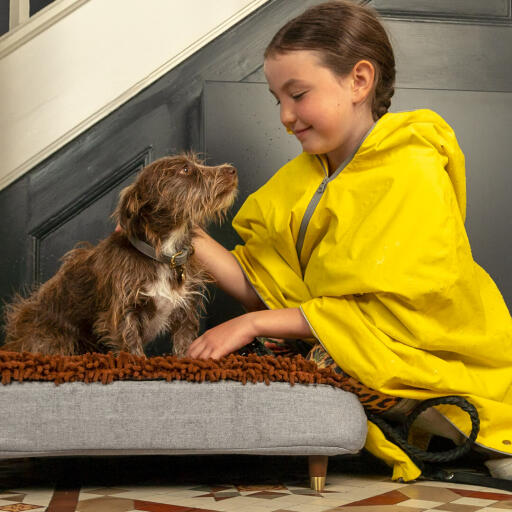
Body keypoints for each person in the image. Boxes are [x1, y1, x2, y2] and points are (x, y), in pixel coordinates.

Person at [185, 1, 512, 482]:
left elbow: (392, 311)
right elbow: (270, 288)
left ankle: (483, 431)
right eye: (277, 99)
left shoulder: (411, 170)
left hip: (443, 352)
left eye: (298, 94)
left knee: (303, 348)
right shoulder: (300, 181)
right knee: (295, 349)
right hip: (347, 345)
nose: (285, 115)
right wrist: (179, 238)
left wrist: (255, 324)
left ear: (360, 81)